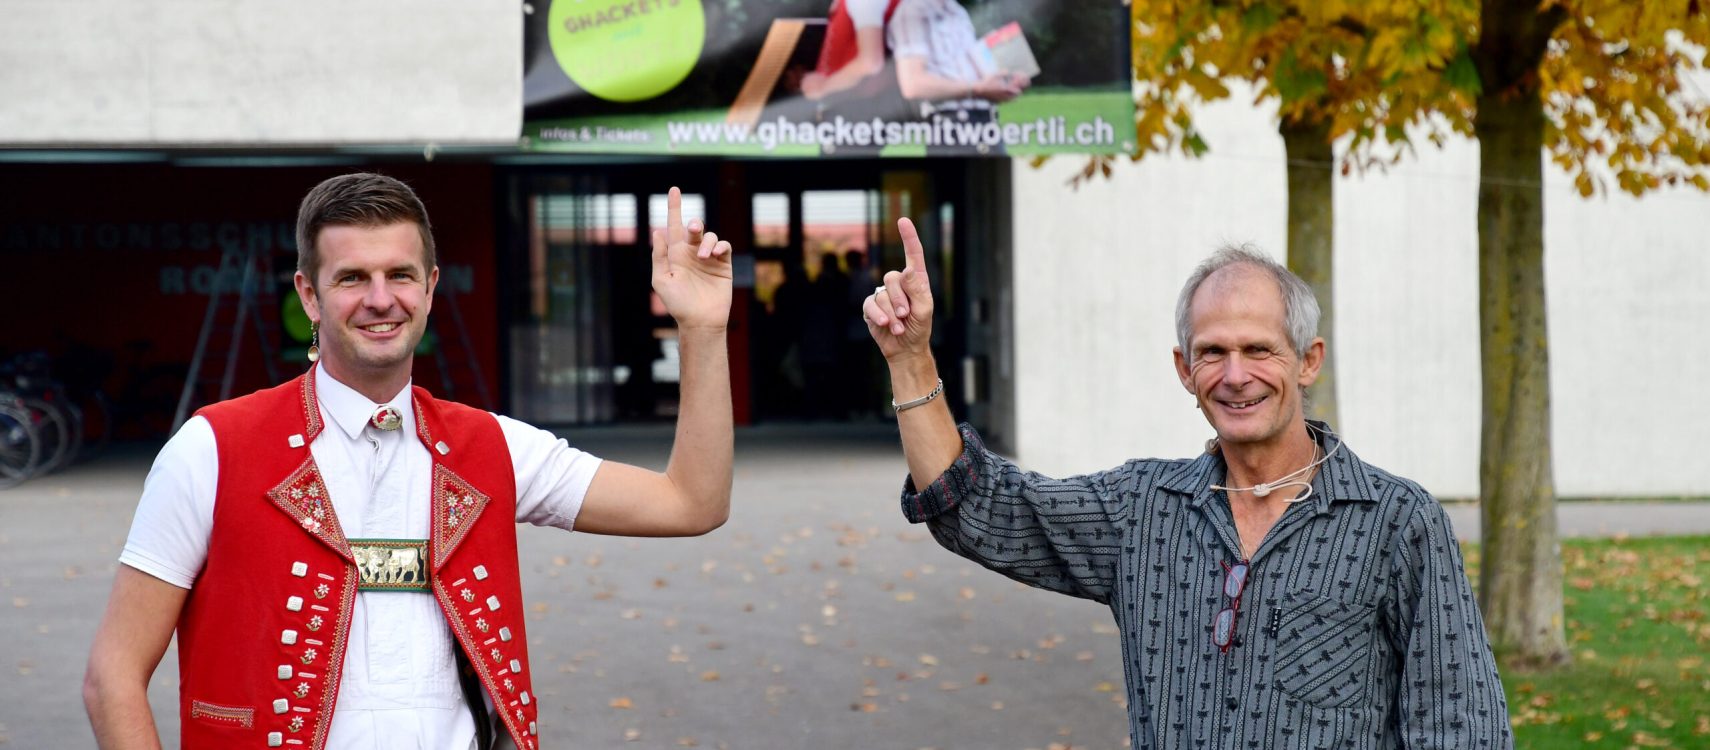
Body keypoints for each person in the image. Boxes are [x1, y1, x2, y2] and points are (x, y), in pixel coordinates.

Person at [82, 174, 735, 750]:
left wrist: (702, 333)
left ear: (429, 288)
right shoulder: (212, 449)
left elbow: (691, 503)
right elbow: (113, 677)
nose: (379, 298)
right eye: (351, 278)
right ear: (309, 296)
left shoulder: (495, 447)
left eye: (399, 275)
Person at [861, 224, 1512, 749]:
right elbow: (976, 509)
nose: (1235, 376)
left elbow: (1462, 727)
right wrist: (910, 357)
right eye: (1212, 352)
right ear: (1184, 369)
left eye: (1259, 350)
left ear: (1308, 360)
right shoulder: (1141, 511)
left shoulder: (1397, 521)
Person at [887, 0, 1029, 155]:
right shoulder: (912, 12)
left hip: (986, 124)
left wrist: (1006, 80)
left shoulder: (957, 10)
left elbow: (970, 74)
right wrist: (978, 89)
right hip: (951, 129)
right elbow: (913, 85)